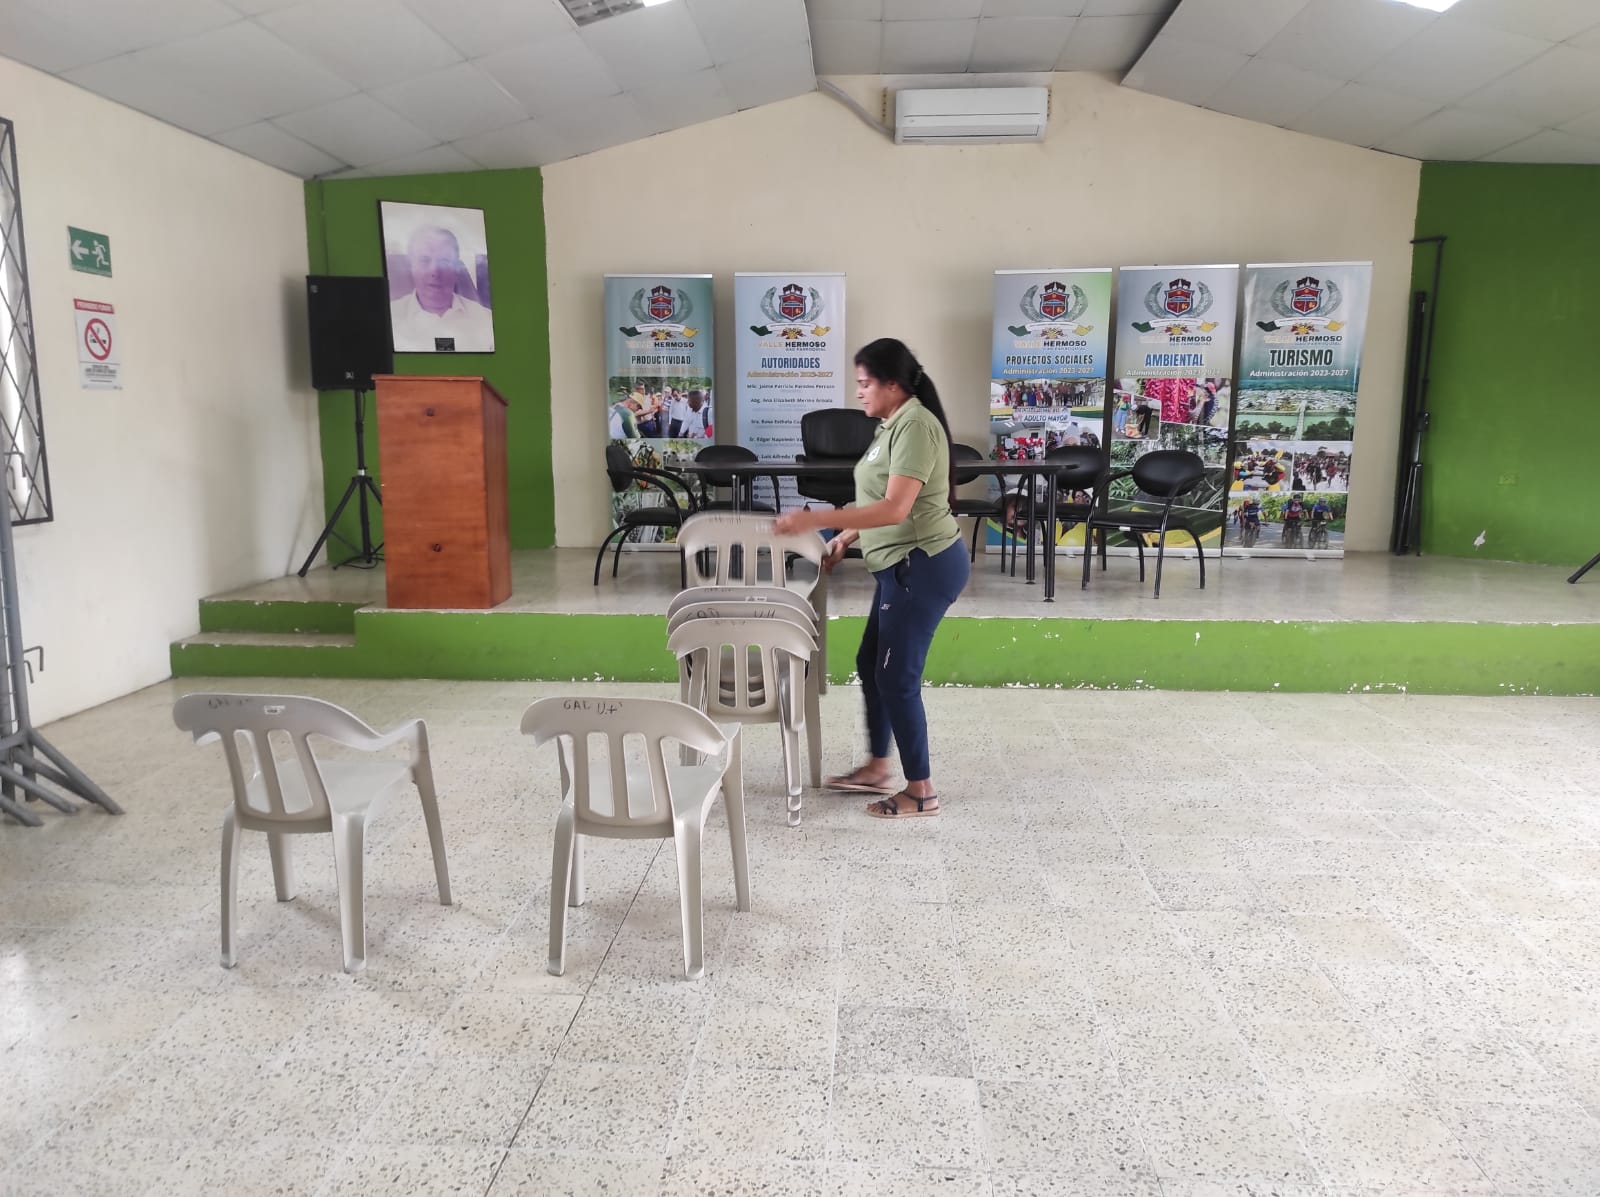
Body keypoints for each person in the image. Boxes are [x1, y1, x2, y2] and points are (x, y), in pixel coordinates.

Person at [773, 338, 968, 819]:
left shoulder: (915, 426)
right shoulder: (891, 426)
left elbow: (896, 508)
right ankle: (879, 767)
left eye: (865, 383)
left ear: (892, 384)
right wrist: (846, 536)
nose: (858, 392)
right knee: (871, 662)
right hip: (899, 566)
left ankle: (921, 791)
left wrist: (817, 518)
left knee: (897, 676)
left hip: (921, 565)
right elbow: (881, 496)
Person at [389, 225, 494, 352]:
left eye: (444, 261)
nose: (434, 271)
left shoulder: (486, 319)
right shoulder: (389, 319)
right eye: (424, 260)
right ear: (411, 266)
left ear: (456, 269)